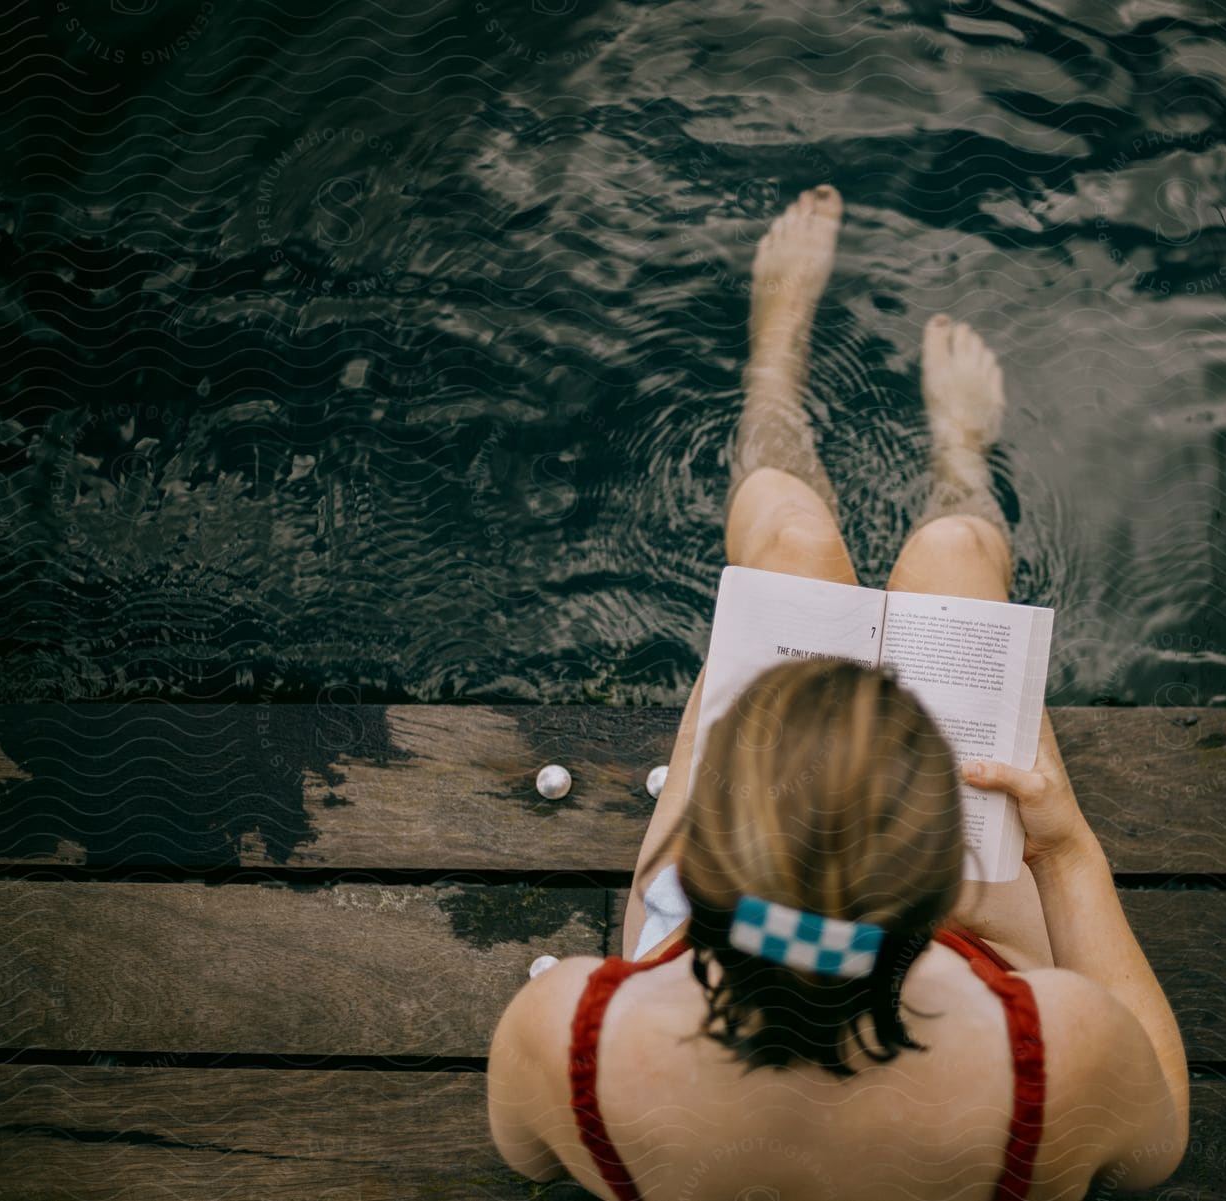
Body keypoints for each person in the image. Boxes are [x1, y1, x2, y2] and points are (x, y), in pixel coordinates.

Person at [488, 185, 1190, 1199]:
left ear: (699, 845)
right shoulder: (1056, 1055)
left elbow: (525, 1155)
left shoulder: (562, 1033)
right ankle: (960, 456)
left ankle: (774, 362)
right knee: (952, 562)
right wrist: (1069, 849)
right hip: (949, 1021)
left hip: (717, 984)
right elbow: (1157, 1144)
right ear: (944, 884)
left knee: (787, 539)